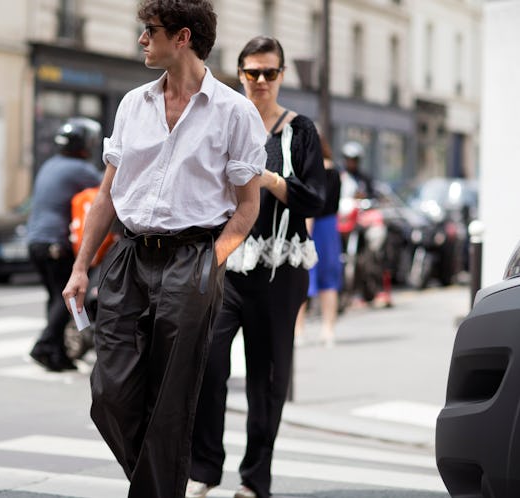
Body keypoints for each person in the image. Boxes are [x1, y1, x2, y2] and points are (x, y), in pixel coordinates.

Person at [61, 1, 268, 497]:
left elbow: (246, 207)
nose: (140, 40)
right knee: (108, 392)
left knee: (171, 397)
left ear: (182, 38)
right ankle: (161, 487)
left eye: (148, 31)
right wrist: (81, 267)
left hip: (191, 258)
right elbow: (109, 193)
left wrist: (210, 262)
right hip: (129, 257)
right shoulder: (134, 104)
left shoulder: (234, 112)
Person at [187, 36, 326, 498]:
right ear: (240, 74)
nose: (261, 81)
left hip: (279, 268)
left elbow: (317, 198)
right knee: (207, 366)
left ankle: (254, 480)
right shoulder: (223, 121)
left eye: (269, 72)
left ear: (282, 75)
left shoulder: (300, 130)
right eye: (252, 72)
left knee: (267, 379)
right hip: (226, 263)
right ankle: (204, 468)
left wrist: (270, 180)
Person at [27, 117, 103, 372]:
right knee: (68, 296)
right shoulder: (80, 170)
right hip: (56, 243)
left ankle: (56, 352)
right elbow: (109, 190)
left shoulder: (50, 165)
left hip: (36, 242)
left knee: (55, 296)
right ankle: (44, 345)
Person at [295, 135, 342, 348]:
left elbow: (311, 204)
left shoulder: (311, 171)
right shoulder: (335, 171)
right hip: (331, 228)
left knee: (302, 277)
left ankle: (299, 330)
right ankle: (328, 330)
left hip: (313, 226)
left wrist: (306, 230)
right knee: (329, 280)